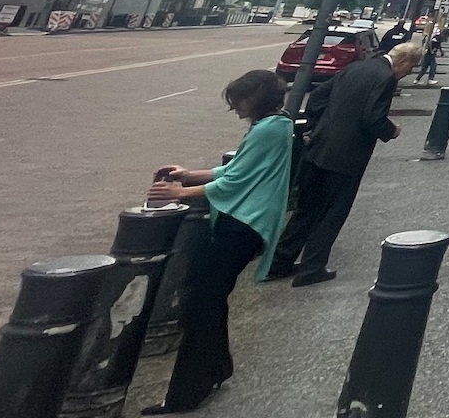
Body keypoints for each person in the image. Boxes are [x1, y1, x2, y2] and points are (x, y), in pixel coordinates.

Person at [141, 70, 294, 414]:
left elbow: (235, 180)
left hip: (242, 224)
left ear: (253, 99)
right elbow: (240, 168)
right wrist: (191, 173)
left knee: (200, 302)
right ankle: (216, 367)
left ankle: (188, 393)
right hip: (246, 224)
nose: (236, 109)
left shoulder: (268, 128)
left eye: (238, 102)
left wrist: (181, 192)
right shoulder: (277, 123)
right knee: (209, 298)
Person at [266, 44, 417, 285]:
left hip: (319, 147)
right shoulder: (386, 77)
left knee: (307, 208)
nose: (409, 72)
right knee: (333, 212)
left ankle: (278, 263)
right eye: (412, 67)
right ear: (405, 62)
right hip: (347, 156)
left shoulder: (355, 67)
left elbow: (317, 97)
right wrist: (391, 130)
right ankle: (312, 267)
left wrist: (316, 128)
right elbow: (372, 117)